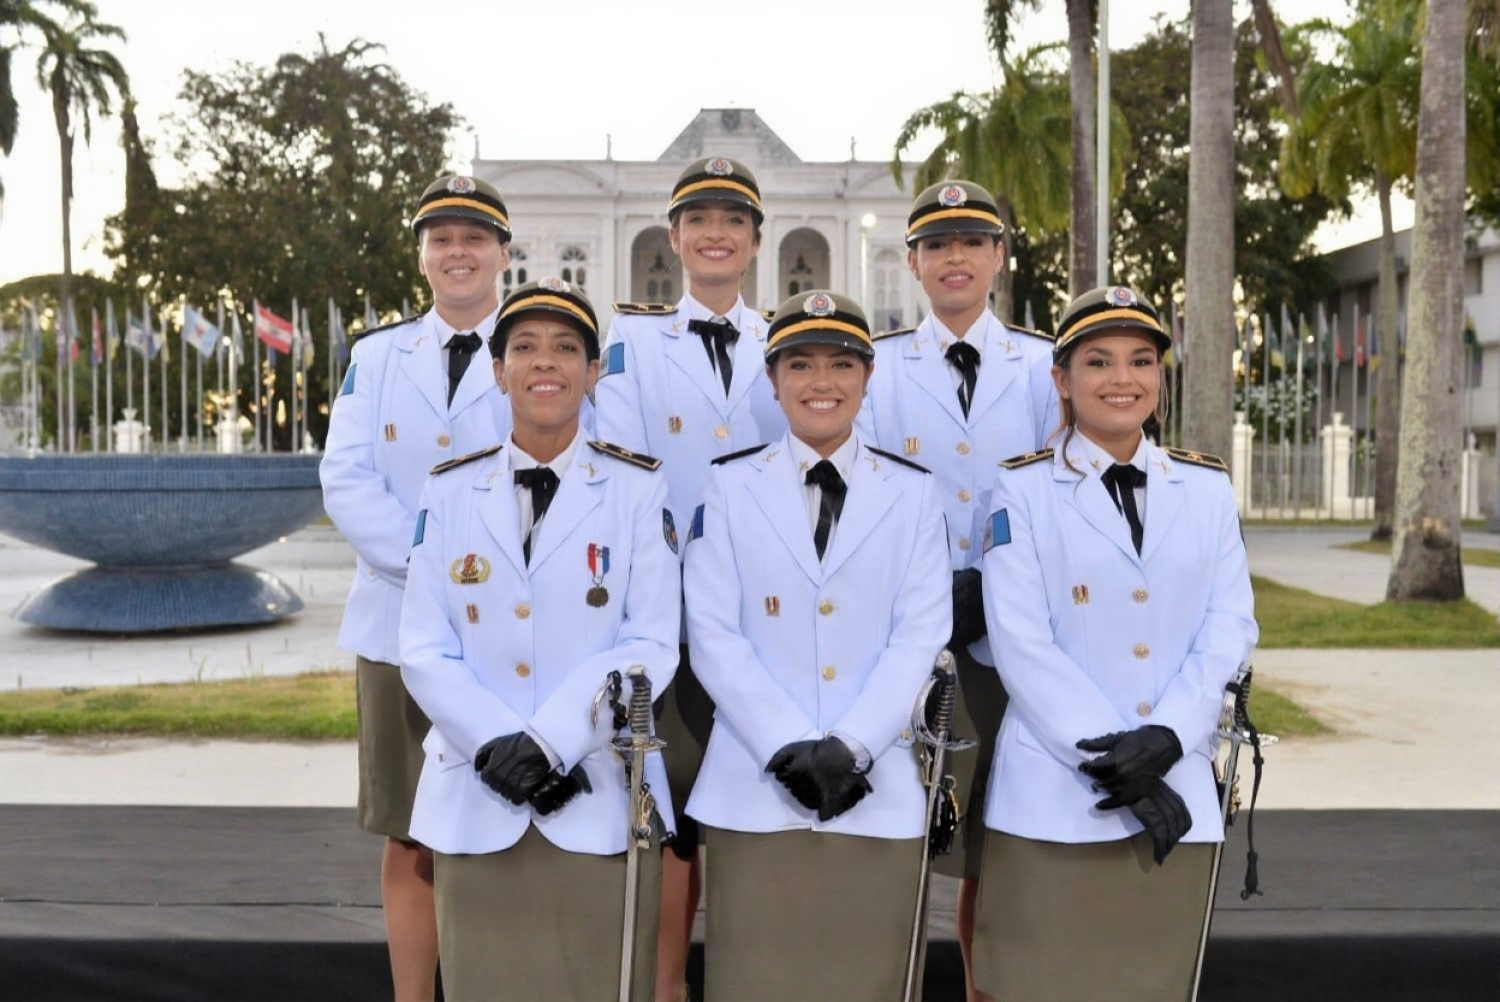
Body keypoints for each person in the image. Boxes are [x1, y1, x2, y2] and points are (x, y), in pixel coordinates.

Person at [398, 278, 681, 1002]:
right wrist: (496, 742)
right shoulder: (449, 491)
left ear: (593, 372)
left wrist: (552, 742)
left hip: (592, 789)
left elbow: (649, 640)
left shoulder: (636, 490)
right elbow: (425, 646)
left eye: (565, 348)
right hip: (475, 789)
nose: (544, 362)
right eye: (524, 347)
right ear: (498, 371)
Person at [973, 285, 1258, 1000]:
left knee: (1151, 986)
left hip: (1177, 785)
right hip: (1057, 792)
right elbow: (1021, 643)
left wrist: (1167, 738)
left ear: (1161, 378)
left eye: (1140, 360)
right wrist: (1115, 757)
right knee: (1037, 984)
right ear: (1062, 380)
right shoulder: (1020, 492)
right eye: (1097, 361)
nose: (1121, 379)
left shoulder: (1204, 488)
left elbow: (1230, 624)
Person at [683, 289, 950, 1000]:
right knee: (756, 979)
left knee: (869, 977)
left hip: (878, 781)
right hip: (755, 781)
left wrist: (854, 743)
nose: (821, 383)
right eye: (799, 364)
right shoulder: (728, 485)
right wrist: (784, 743)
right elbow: (712, 631)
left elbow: (920, 632)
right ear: (772, 381)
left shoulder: (916, 494)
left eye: (840, 364)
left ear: (868, 377)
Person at [856, 178, 1057, 1001]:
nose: (955, 258)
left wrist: (995, 586)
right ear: (912, 261)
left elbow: (1061, 499)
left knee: (992, 848)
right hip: (906, 641)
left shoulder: (1047, 366)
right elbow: (865, 498)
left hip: (1012, 645)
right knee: (900, 838)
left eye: (973, 241)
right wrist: (937, 589)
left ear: (1000, 257)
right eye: (937, 244)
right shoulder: (877, 366)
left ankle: (983, 990)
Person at [594, 155, 786, 1002]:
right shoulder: (630, 338)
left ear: (753, 241)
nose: (716, 233)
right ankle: (666, 986)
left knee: (751, 810)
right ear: (673, 238)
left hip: (772, 614)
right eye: (698, 219)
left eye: (733, 221)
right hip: (667, 612)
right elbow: (630, 468)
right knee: (668, 821)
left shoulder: (791, 341)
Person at [320, 173, 513, 1002]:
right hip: (398, 625)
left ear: (504, 252)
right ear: (423, 255)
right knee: (409, 833)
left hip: (508, 629)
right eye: (442, 238)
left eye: (475, 236)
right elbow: (348, 480)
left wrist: (476, 582)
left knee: (509, 822)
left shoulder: (544, 346)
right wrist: (432, 566)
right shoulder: (375, 355)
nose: (458, 251)